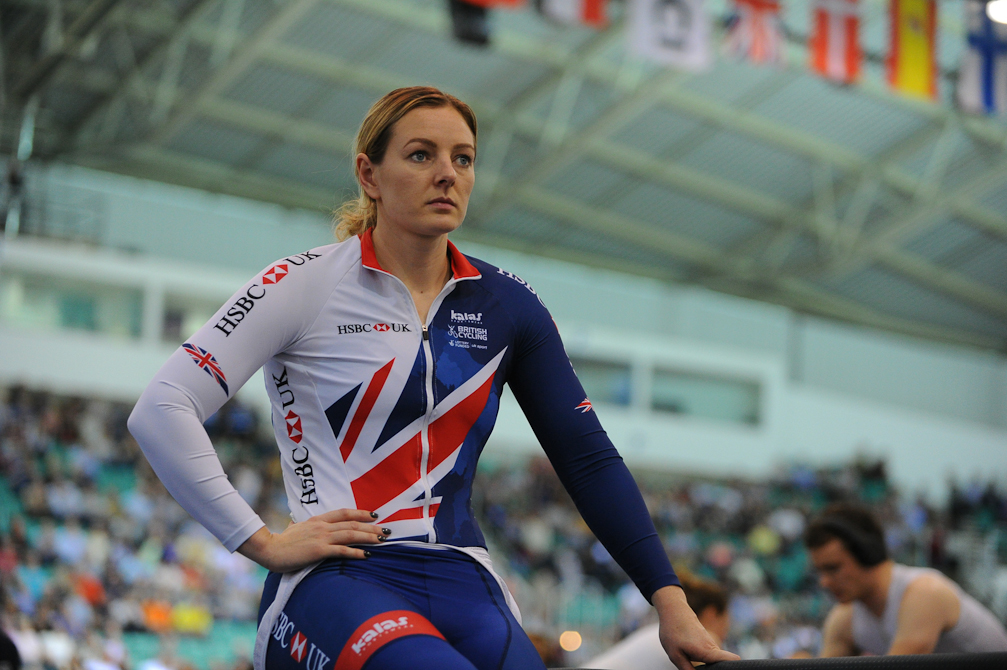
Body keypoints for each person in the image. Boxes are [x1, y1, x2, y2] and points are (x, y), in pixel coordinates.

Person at [127, 86, 737, 670]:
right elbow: (162, 406)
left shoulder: (508, 305)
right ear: (369, 175)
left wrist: (671, 602)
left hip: (463, 578)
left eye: (463, 159)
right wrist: (260, 542)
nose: (448, 173)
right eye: (422, 155)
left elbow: (588, 458)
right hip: (337, 576)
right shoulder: (302, 283)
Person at [805, 503, 1007, 656]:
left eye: (833, 568)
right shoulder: (845, 619)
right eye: (820, 571)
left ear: (868, 554)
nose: (824, 582)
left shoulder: (925, 593)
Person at [585, 572, 730, 670]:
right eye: (726, 619)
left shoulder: (660, 632)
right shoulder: (699, 641)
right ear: (711, 614)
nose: (727, 628)